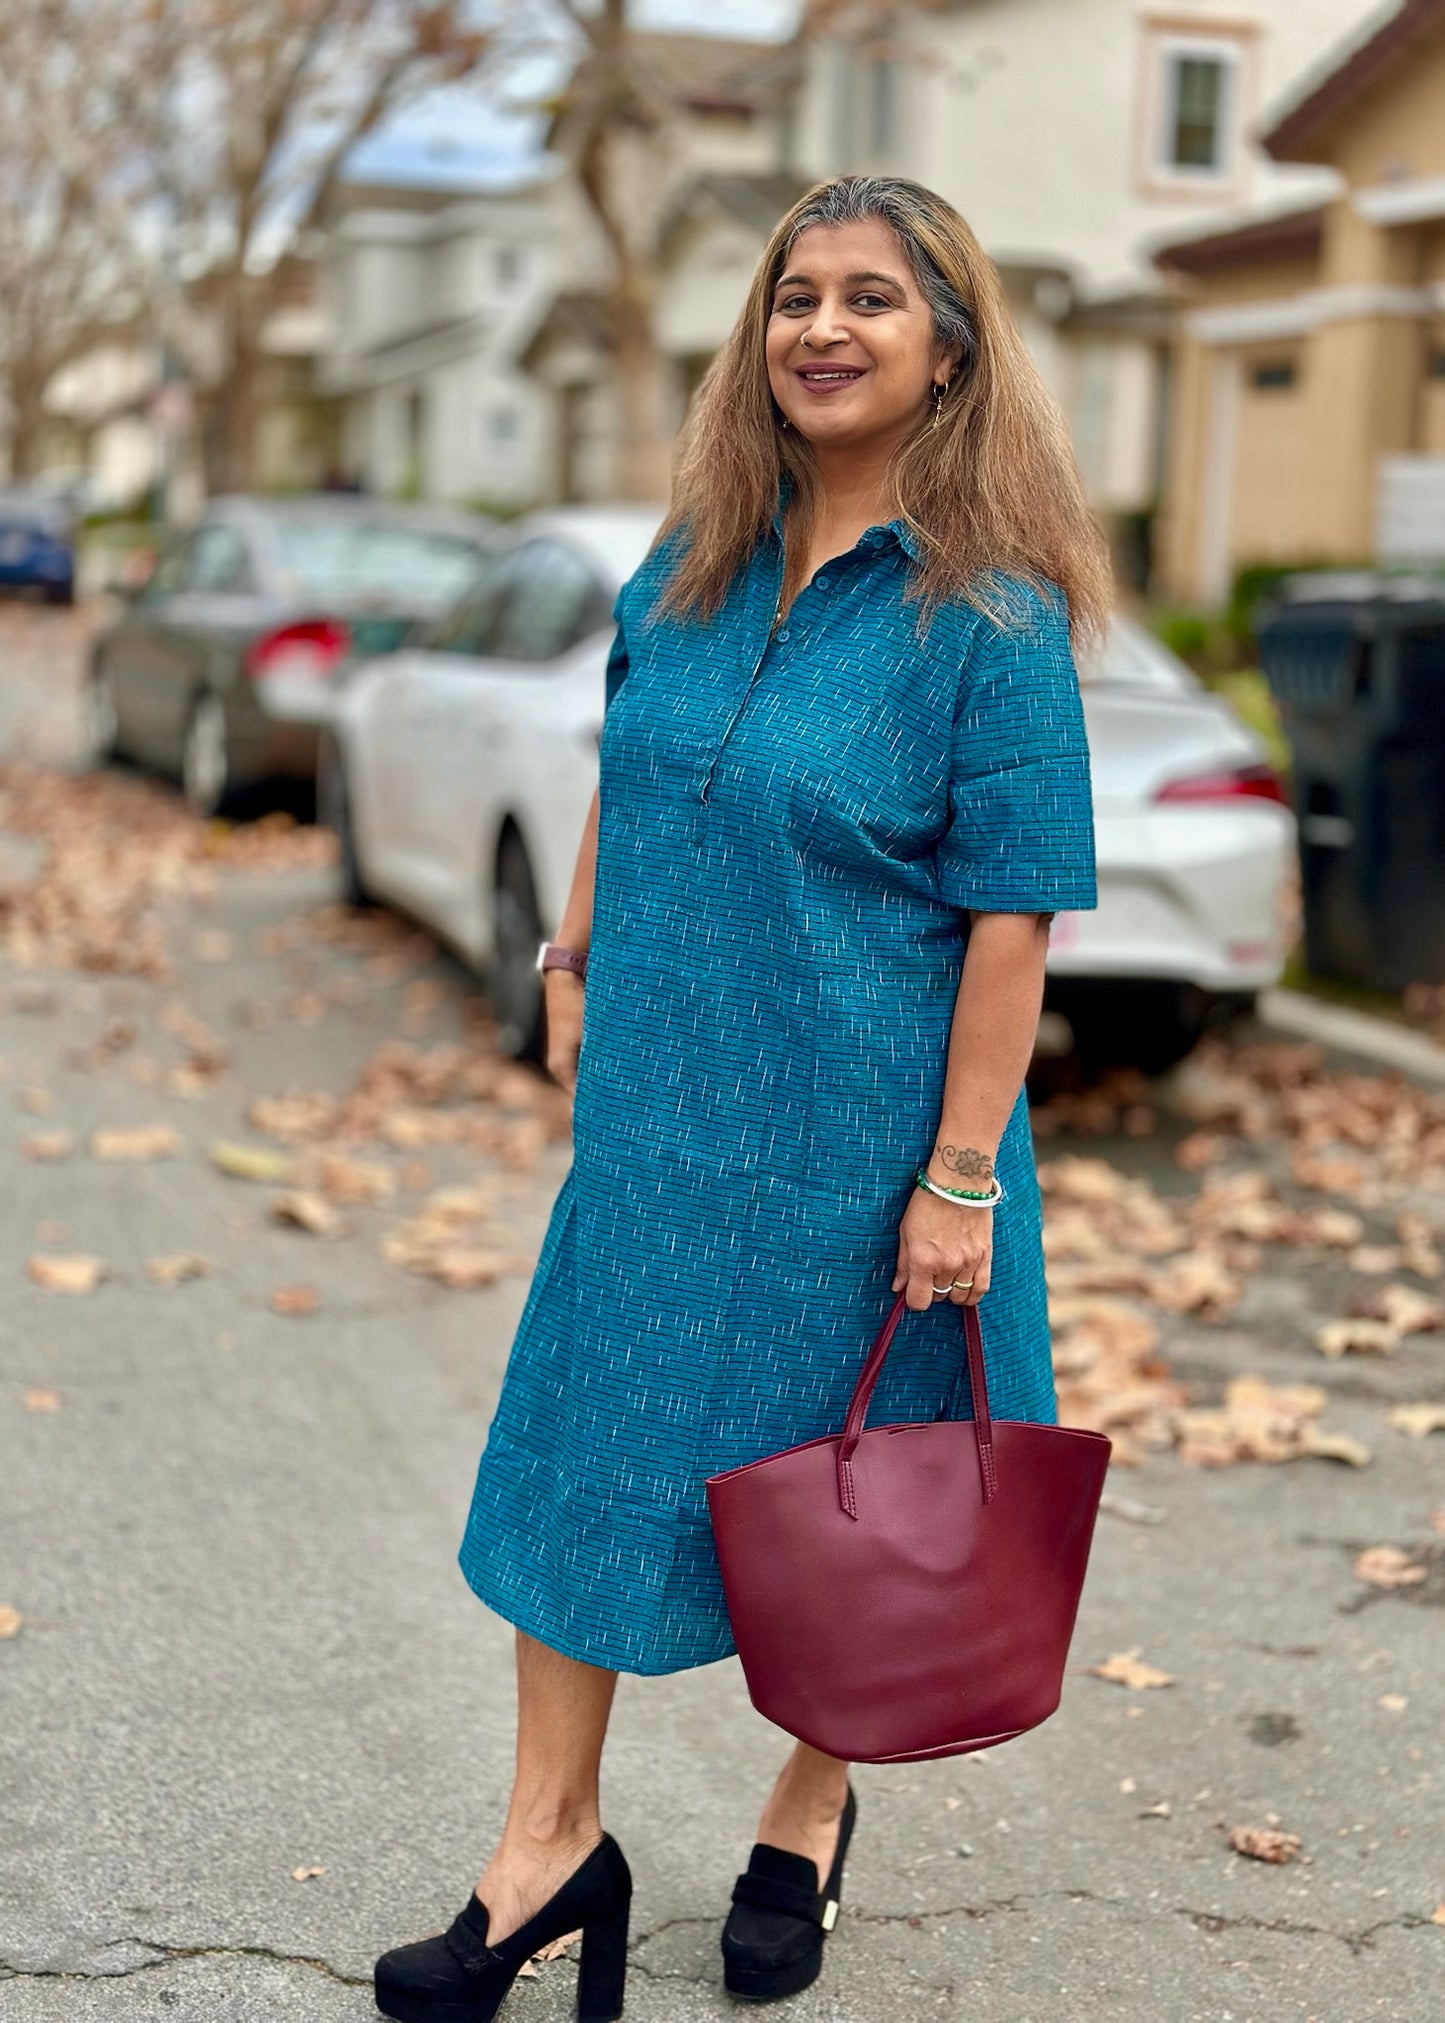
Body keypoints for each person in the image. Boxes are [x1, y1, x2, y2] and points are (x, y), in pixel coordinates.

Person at [374, 173, 1108, 2023]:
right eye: (796, 295)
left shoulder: (989, 617)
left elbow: (1011, 923)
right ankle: (547, 1845)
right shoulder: (686, 562)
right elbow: (628, 763)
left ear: (948, 349)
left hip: (865, 1157)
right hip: (657, 1131)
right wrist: (567, 957)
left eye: (872, 297)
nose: (824, 329)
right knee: (577, 1477)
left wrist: (957, 1182)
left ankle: (807, 1808)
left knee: (853, 1500)